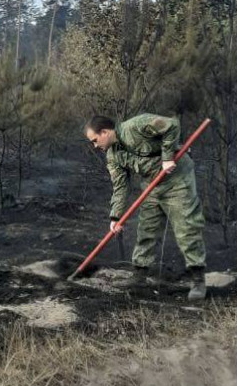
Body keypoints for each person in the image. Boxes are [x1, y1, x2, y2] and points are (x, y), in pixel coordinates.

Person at [85, 113, 207, 301]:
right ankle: (139, 277)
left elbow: (171, 125)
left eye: (95, 140)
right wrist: (115, 217)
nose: (95, 146)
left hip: (177, 180)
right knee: (146, 231)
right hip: (152, 185)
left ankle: (198, 280)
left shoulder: (136, 125)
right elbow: (120, 186)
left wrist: (167, 157)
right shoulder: (112, 156)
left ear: (105, 132)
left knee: (187, 228)